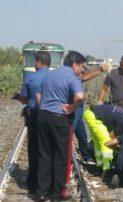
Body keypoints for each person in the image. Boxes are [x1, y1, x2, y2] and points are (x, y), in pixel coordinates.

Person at [35, 50, 86, 201]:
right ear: (74, 65)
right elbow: (80, 97)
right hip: (60, 119)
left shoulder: (50, 74)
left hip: (43, 117)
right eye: (82, 67)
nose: (82, 70)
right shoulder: (72, 77)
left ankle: (41, 193)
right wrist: (72, 108)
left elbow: (38, 94)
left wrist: (44, 108)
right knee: (61, 156)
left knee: (44, 155)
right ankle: (57, 193)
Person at [16, 51, 51, 193]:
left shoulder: (30, 77)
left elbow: (23, 98)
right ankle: (48, 182)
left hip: (34, 116)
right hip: (51, 116)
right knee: (48, 149)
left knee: (34, 148)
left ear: (38, 62)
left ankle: (33, 182)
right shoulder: (55, 76)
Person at [83, 104, 123, 177]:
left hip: (90, 113)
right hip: (94, 117)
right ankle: (107, 170)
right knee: (106, 143)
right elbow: (112, 136)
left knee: (98, 144)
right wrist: (118, 148)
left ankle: (99, 167)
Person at [73, 63, 111, 165]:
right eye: (82, 69)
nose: (83, 72)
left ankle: (85, 156)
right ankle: (67, 156)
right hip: (74, 107)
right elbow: (85, 77)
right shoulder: (72, 77)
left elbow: (86, 76)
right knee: (70, 132)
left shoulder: (77, 76)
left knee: (82, 134)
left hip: (79, 107)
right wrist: (100, 69)